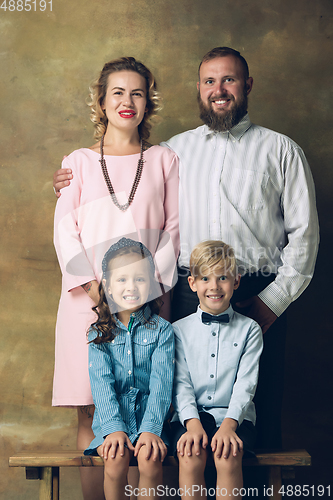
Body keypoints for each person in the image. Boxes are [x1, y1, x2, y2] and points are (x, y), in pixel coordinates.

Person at [54, 47, 319, 449]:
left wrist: (272, 302)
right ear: (199, 89)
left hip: (258, 293)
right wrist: (68, 183)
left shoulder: (281, 151)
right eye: (210, 81)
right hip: (184, 291)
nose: (219, 90)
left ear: (246, 85)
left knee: (257, 415)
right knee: (182, 410)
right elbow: (134, 191)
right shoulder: (174, 151)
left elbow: (305, 237)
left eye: (229, 80)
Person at [53, 56, 179, 499]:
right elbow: (65, 229)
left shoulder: (164, 159)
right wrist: (95, 288)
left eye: (138, 92)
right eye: (118, 93)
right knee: (91, 412)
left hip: (145, 305)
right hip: (85, 302)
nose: (128, 101)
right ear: (102, 102)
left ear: (149, 102)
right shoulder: (79, 162)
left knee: (144, 406)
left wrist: (144, 293)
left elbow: (172, 231)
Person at [84, 238, 174, 500]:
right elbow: (101, 385)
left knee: (149, 458)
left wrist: (151, 428)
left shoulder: (163, 331)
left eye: (140, 279)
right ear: (109, 286)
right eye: (122, 279)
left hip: (150, 419)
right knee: (115, 458)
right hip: (112, 420)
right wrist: (113, 429)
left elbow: (161, 384)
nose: (131, 287)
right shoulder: (97, 334)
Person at [171, 240, 263, 499]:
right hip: (191, 417)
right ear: (192, 284)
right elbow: (180, 383)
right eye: (205, 279)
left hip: (235, 418)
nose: (214, 286)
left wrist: (229, 425)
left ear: (236, 281)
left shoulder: (250, 330)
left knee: (228, 455)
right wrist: (191, 423)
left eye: (223, 277)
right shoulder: (178, 330)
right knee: (190, 454)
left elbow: (246, 383)